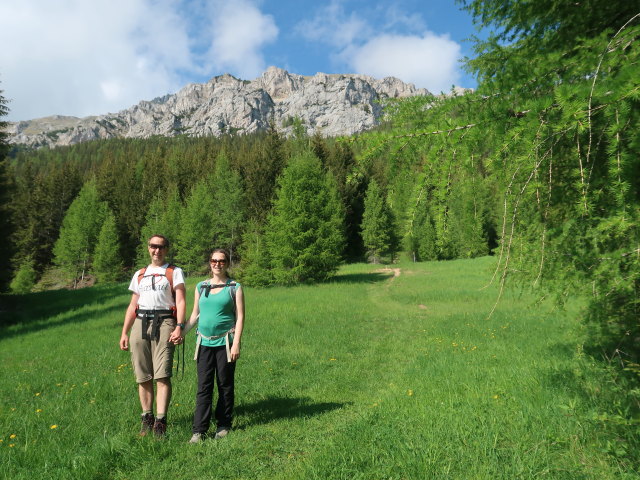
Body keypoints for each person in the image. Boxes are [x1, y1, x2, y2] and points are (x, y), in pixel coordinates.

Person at [171, 248, 245, 443]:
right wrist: (181, 333)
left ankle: (223, 425)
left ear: (227, 263)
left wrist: (236, 343)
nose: (217, 264)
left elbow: (240, 316)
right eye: (214, 260)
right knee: (203, 387)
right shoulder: (201, 287)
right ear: (209, 262)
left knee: (224, 385)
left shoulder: (234, 287)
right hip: (203, 343)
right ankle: (199, 430)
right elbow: (195, 314)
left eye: (221, 261)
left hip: (226, 344)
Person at [119, 234, 186, 437]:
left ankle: (160, 422)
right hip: (140, 323)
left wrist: (179, 326)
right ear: (148, 248)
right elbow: (133, 305)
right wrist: (124, 332)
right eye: (153, 246)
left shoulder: (174, 272)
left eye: (161, 247)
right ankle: (146, 419)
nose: (156, 250)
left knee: (162, 374)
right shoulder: (140, 274)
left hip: (165, 322)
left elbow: (181, 301)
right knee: (143, 375)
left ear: (166, 249)